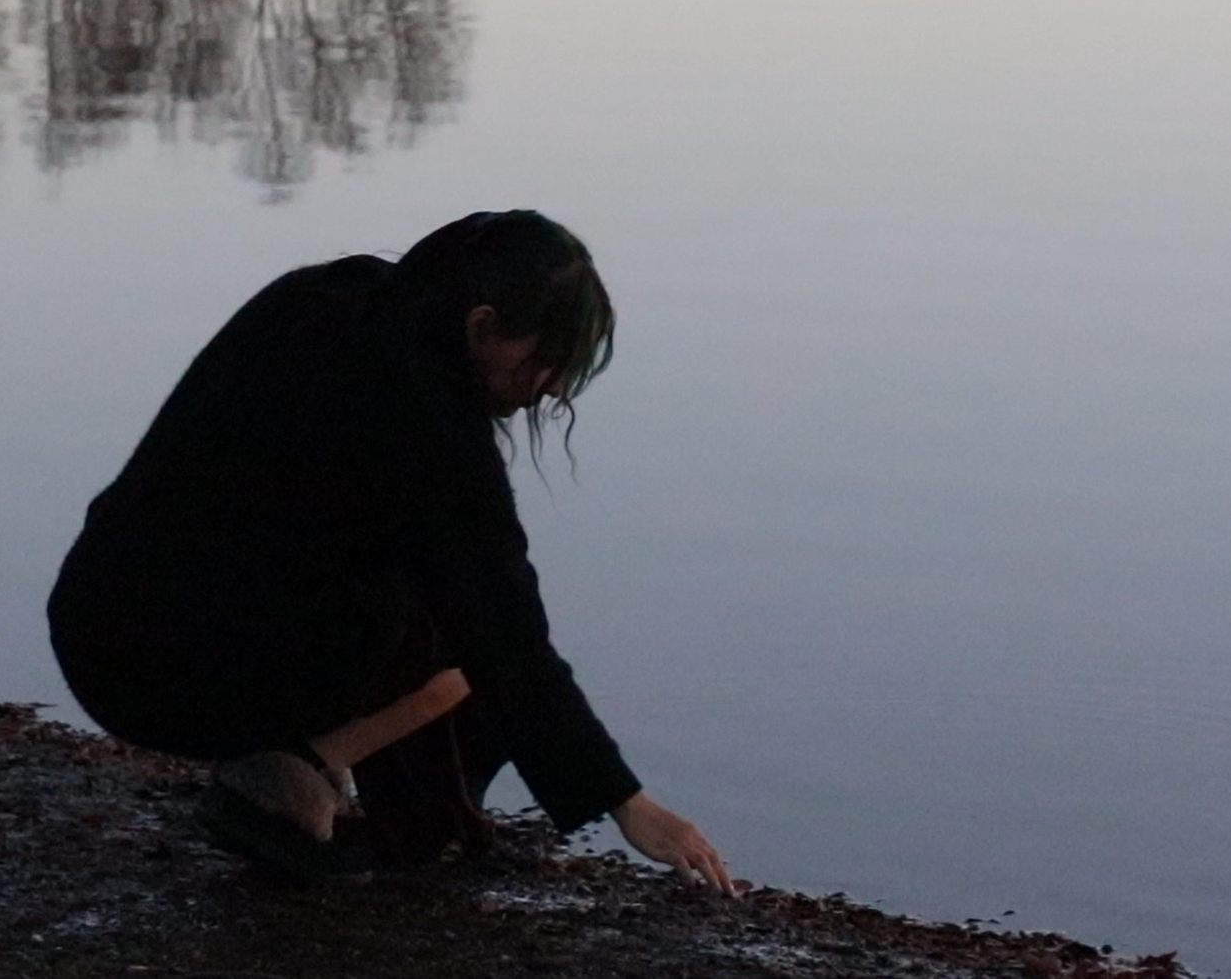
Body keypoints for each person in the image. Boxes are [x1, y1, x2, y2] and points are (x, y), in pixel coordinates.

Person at [47, 211, 731, 890]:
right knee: (460, 647)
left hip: (95, 624)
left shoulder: (320, 298)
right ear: (482, 326)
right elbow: (507, 633)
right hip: (173, 675)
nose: (550, 386)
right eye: (544, 360)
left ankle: (313, 769)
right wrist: (629, 804)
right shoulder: (428, 418)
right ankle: (296, 774)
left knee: (417, 585)